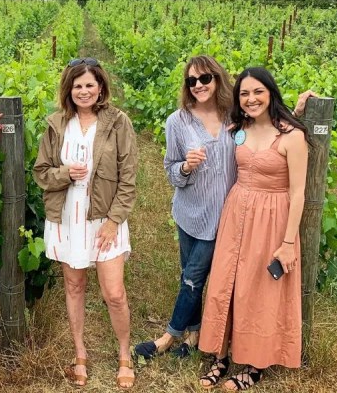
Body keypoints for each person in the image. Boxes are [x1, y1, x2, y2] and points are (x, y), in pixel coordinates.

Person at [198, 66, 309, 391]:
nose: (251, 99)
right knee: (227, 282)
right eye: (244, 93)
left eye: (258, 91)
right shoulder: (238, 128)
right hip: (237, 213)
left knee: (259, 291)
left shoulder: (293, 136)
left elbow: (298, 193)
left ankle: (255, 364)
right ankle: (221, 355)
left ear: (271, 92)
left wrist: (288, 242)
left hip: (272, 220)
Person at [33, 57, 138, 389]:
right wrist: (66, 174)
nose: (84, 91)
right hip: (67, 216)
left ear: (101, 87)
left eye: (90, 85)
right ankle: (80, 353)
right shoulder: (56, 124)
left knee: (114, 293)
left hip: (104, 217)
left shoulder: (118, 123)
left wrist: (113, 221)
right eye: (77, 85)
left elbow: (128, 179)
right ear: (69, 89)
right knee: (74, 286)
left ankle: (125, 354)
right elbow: (42, 173)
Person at [133, 55, 236, 361]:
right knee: (189, 275)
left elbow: (268, 127)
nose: (199, 86)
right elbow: (170, 171)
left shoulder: (235, 115)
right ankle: (193, 335)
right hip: (190, 212)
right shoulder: (177, 121)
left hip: (225, 215)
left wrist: (297, 112)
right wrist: (187, 167)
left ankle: (167, 337)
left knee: (193, 276)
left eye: (205, 78)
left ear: (217, 79)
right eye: (192, 81)